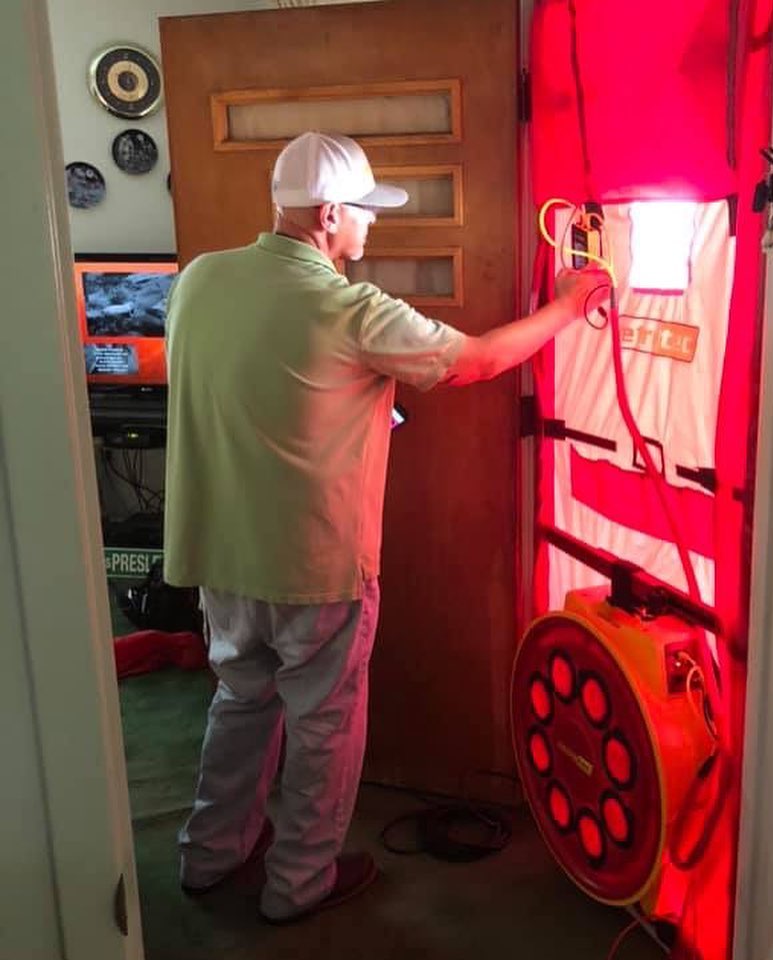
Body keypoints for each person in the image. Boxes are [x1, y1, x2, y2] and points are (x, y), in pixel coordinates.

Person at [163, 131, 608, 923]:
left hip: (220, 557)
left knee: (240, 701)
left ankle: (210, 854)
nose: (371, 226)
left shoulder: (201, 279)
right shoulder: (346, 307)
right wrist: (569, 307)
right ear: (329, 213)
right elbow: (474, 361)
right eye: (364, 211)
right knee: (324, 725)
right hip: (313, 566)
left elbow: (263, 385)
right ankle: (298, 884)